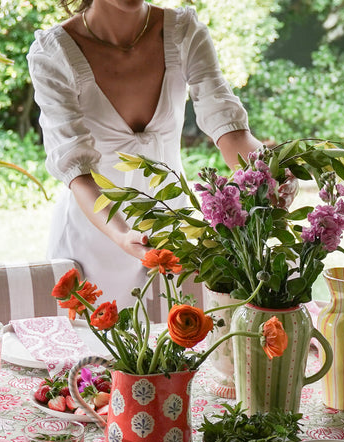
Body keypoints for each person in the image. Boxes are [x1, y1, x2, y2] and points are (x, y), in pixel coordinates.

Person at [27, 0, 262, 308]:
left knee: (185, 347)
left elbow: (228, 128)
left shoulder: (183, 32)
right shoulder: (53, 53)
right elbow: (77, 172)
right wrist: (124, 235)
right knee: (93, 352)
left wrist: (268, 173)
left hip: (175, 234)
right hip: (93, 239)